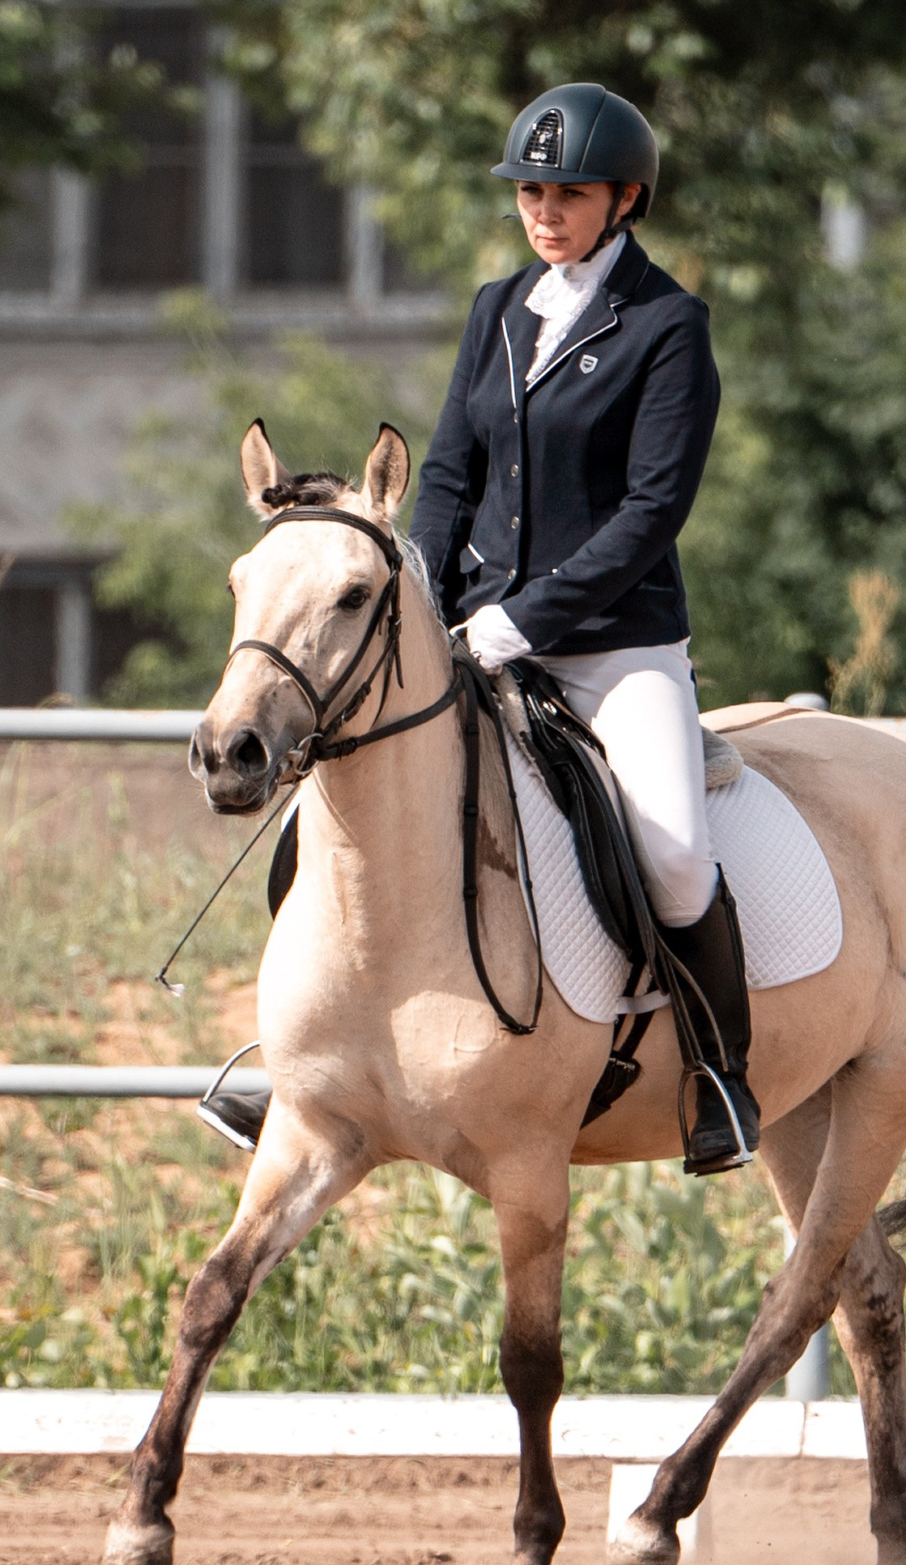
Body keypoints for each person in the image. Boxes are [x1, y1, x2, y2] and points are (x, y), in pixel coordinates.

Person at [200, 82, 759, 1176]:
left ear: (623, 199)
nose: (544, 210)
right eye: (531, 192)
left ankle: (718, 1075)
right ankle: (298, 1062)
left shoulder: (665, 327)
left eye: (569, 193)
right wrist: (429, 603)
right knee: (314, 814)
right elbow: (447, 471)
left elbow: (652, 514)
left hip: (614, 649)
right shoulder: (498, 307)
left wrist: (522, 622)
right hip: (469, 632)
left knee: (675, 851)